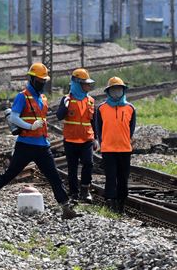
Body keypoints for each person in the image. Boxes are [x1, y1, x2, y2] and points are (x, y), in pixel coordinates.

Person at [0, 63, 79, 219]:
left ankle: (65, 208)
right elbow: (14, 117)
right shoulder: (22, 96)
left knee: (54, 176)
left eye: (44, 80)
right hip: (25, 144)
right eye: (40, 80)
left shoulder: (43, 98)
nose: (43, 83)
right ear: (32, 79)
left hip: (42, 145)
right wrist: (30, 126)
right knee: (10, 173)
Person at [94, 77, 136, 213]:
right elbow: (98, 129)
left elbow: (131, 128)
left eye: (119, 89)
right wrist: (103, 143)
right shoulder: (101, 108)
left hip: (124, 149)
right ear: (108, 91)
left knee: (123, 179)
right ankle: (111, 205)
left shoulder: (130, 108)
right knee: (111, 177)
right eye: (114, 89)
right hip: (108, 149)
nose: (116, 92)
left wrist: (124, 140)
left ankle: (121, 205)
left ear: (123, 90)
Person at [56, 68, 98, 203]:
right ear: (77, 83)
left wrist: (96, 138)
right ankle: (74, 193)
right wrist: (65, 106)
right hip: (70, 140)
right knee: (72, 168)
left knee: (88, 163)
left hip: (86, 139)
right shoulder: (67, 99)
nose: (88, 86)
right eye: (85, 84)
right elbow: (59, 116)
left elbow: (93, 121)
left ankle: (85, 191)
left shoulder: (91, 100)